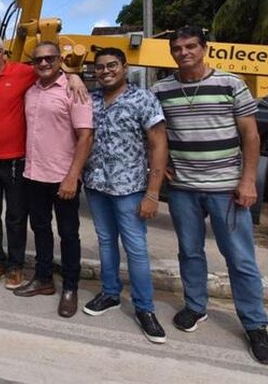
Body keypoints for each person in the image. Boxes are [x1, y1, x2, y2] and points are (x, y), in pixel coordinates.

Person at [151, 26, 268, 365]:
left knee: (240, 259)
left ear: (204, 48)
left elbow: (251, 136)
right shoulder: (161, 89)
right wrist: (160, 167)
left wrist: (248, 180)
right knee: (189, 253)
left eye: (191, 46)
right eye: (177, 48)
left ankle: (255, 325)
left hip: (227, 188)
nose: (183, 52)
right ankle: (195, 307)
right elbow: (153, 133)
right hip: (183, 190)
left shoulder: (231, 84)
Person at [0, 33, 88, 290]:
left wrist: (74, 75)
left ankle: (15, 266)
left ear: (1, 53)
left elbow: (53, 71)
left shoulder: (24, 73)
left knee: (16, 217)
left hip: (16, 161)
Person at [82, 48, 168, 343]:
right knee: (106, 241)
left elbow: (158, 144)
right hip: (96, 185)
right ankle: (110, 293)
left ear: (125, 67)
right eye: (100, 67)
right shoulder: (90, 100)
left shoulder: (142, 99)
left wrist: (153, 193)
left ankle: (145, 308)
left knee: (136, 248)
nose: (105, 71)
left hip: (130, 189)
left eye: (112, 66)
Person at [13, 42, 92, 319]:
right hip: (34, 175)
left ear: (60, 60)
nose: (44, 64)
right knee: (41, 229)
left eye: (49, 59)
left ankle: (70, 287)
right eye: (38, 60)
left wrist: (72, 177)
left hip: (63, 178)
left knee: (69, 234)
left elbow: (85, 136)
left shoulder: (73, 90)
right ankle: (44, 278)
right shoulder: (30, 91)